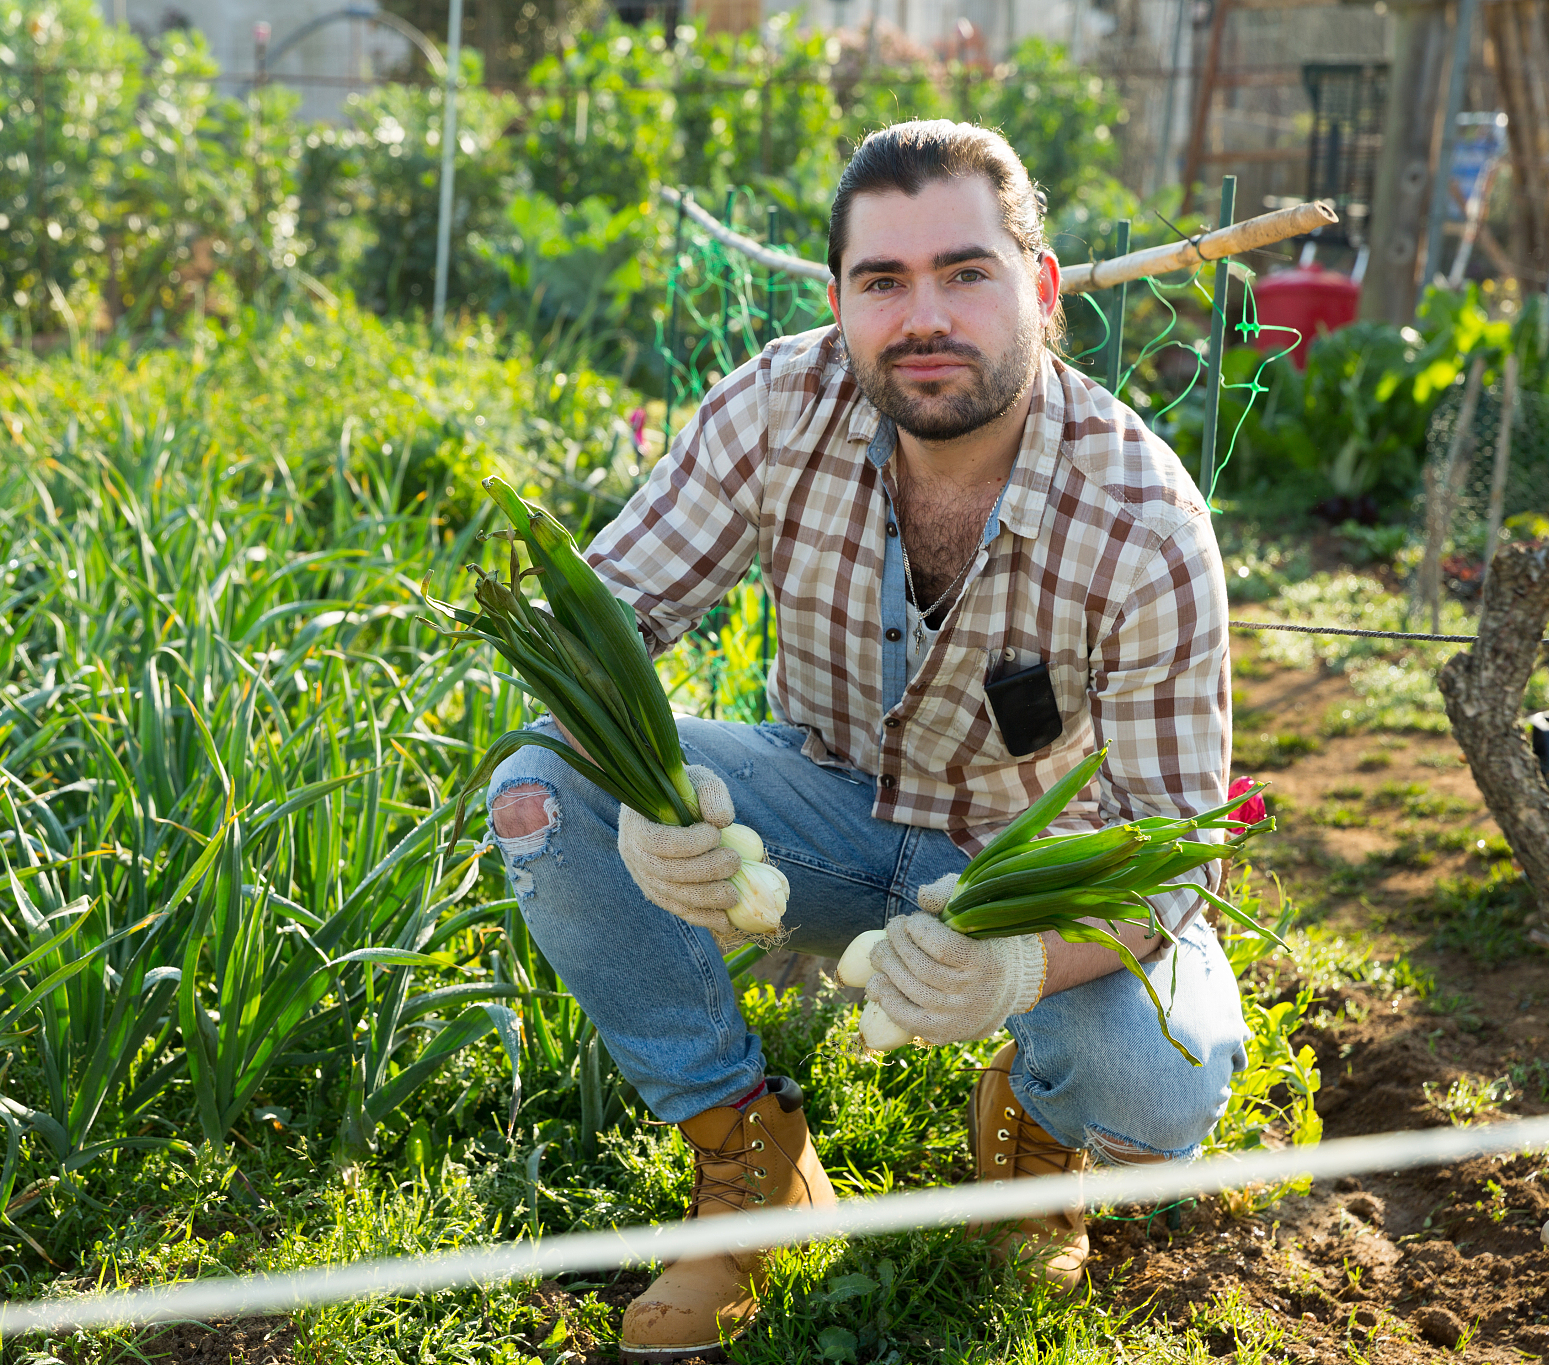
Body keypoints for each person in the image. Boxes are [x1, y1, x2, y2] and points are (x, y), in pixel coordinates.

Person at [483, 119, 1247, 1363]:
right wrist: (638, 785)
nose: (921, 317)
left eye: (964, 273)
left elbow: (1171, 853)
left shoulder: (1144, 518)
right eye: (881, 282)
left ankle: (1040, 1131)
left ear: (1038, 288)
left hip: (1024, 875)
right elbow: (596, 627)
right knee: (540, 792)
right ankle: (749, 1156)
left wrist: (1015, 971)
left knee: (1155, 1088)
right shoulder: (782, 403)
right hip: (827, 815)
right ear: (839, 300)